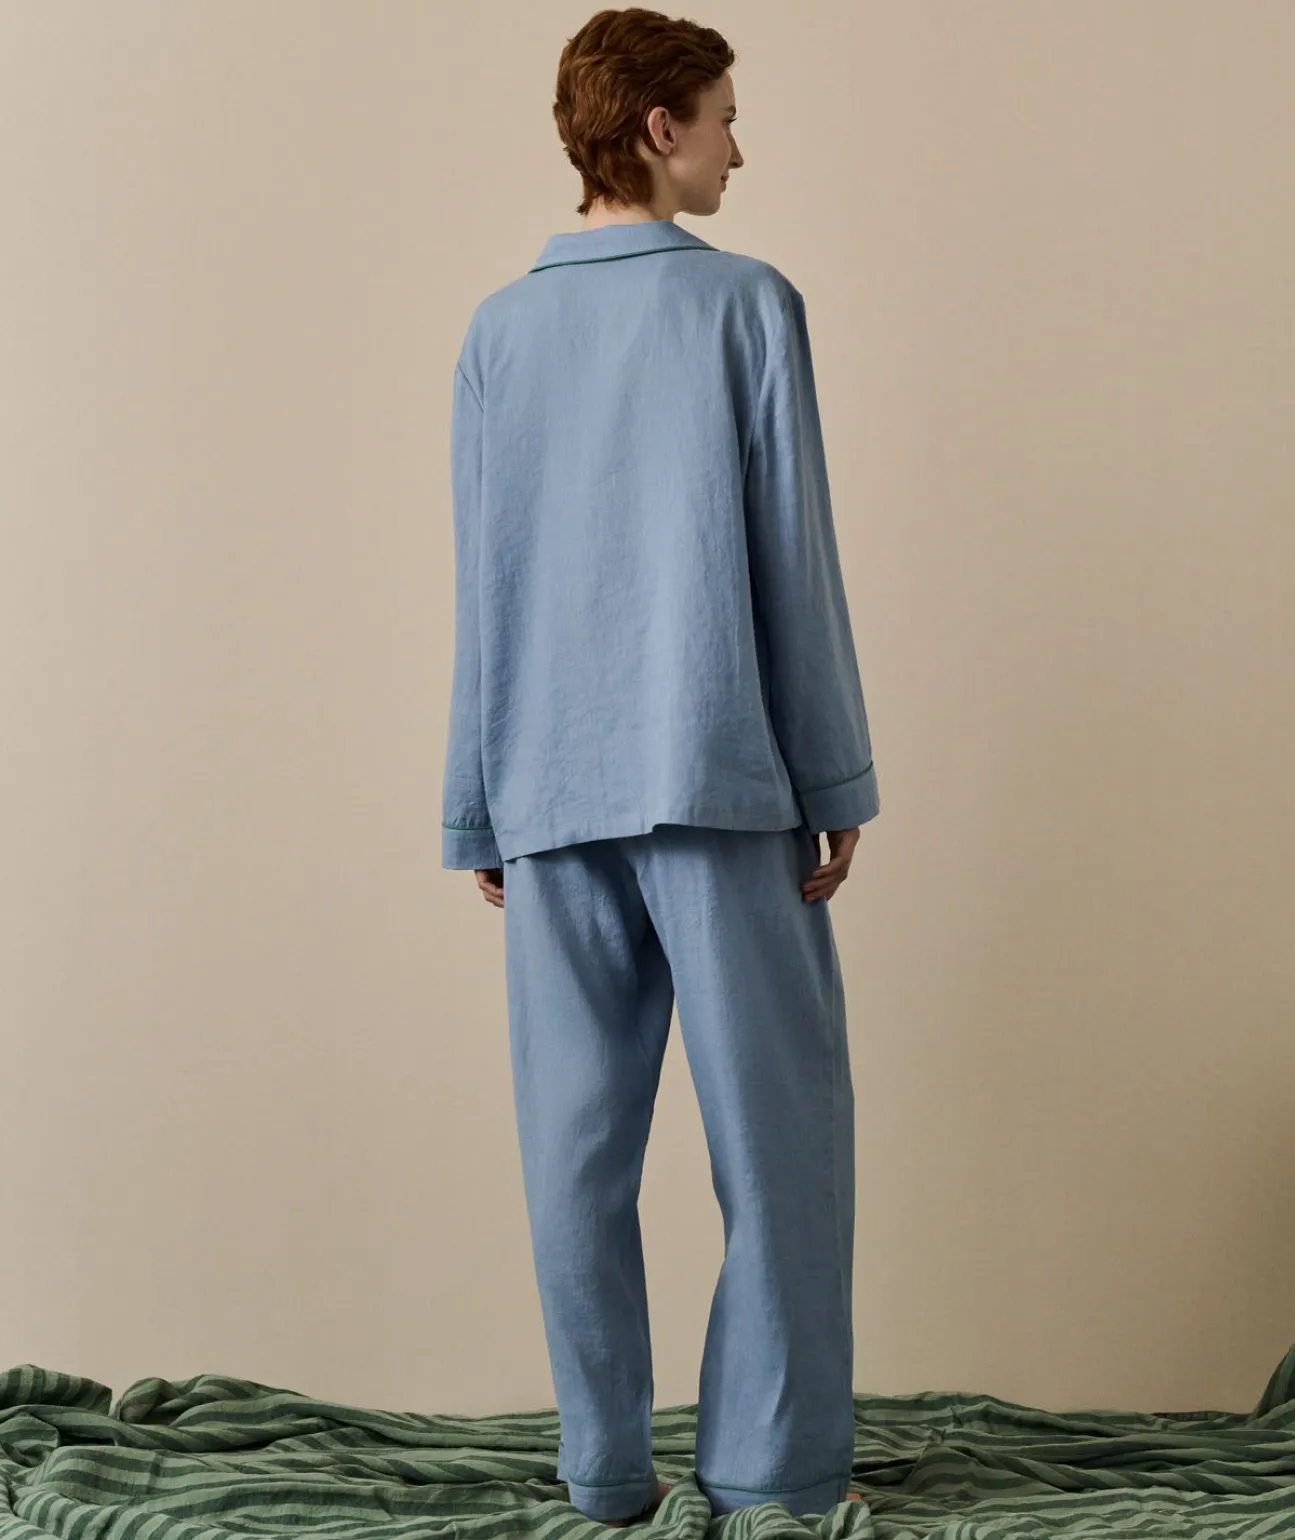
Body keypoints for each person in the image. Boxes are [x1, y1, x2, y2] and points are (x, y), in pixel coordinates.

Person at [440, 6, 878, 1525]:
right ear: (657, 127)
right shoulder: (747, 306)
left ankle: (605, 1472)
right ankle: (769, 1469)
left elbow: (483, 583)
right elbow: (792, 561)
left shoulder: (497, 330)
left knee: (573, 1157)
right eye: (725, 118)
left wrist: (477, 803)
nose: (739, 149)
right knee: (781, 1149)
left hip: (547, 791)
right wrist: (837, 780)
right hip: (719, 779)